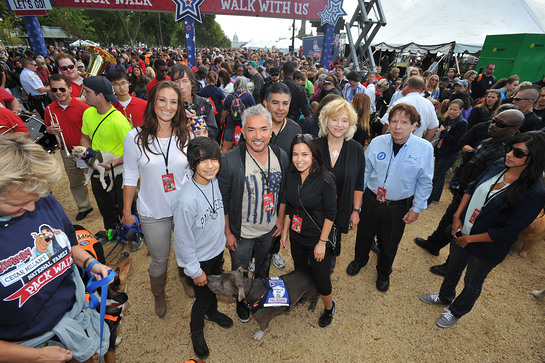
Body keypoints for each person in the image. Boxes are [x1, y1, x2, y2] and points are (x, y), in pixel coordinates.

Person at [0, 134, 110, 363]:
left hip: (73, 323)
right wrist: (37, 356)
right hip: (28, 349)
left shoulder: (43, 200)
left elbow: (67, 246)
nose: (31, 207)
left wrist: (90, 263)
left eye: (36, 197)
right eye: (17, 203)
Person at [420, 131, 545, 328]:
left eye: (518, 153)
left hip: (487, 247)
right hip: (462, 231)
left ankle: (456, 311)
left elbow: (508, 231)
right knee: (453, 268)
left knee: (472, 282)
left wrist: (470, 240)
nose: (510, 154)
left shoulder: (535, 193)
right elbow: (471, 187)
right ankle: (445, 296)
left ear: (534, 158)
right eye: (510, 149)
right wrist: (456, 217)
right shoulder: (498, 166)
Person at [414, 109, 525, 274]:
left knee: (459, 230)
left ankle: (450, 266)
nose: (493, 125)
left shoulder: (506, 152)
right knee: (448, 221)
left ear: (514, 129)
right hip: (463, 191)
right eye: (494, 120)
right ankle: (433, 245)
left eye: (500, 124)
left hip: (475, 199)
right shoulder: (489, 140)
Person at [347, 103, 433, 291]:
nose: (397, 127)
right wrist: (357, 203)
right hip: (371, 200)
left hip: (397, 206)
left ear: (414, 126)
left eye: (404, 122)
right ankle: (359, 260)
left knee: (389, 242)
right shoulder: (378, 142)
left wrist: (416, 208)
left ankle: (384, 272)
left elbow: (425, 181)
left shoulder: (424, 149)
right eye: (394, 121)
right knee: (363, 235)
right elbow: (365, 172)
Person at [122, 80, 190, 318]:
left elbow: (193, 173)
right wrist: (127, 212)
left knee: (184, 252)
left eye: (174, 102)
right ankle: (158, 294)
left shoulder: (186, 134)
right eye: (162, 100)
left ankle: (184, 279)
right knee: (160, 259)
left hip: (182, 210)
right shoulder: (135, 137)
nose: (168, 106)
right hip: (152, 212)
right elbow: (130, 175)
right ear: (152, 102)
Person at [218, 105, 288, 323]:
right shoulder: (230, 161)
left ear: (271, 131)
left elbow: (284, 192)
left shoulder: (281, 155)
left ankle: (258, 296)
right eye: (251, 130)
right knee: (239, 272)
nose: (258, 136)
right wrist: (228, 232)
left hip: (269, 230)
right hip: (242, 233)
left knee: (263, 269)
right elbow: (224, 202)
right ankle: (241, 302)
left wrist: (280, 219)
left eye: (263, 129)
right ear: (242, 131)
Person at [172, 137, 232, 359]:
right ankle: (196, 331)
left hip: (215, 252)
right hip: (199, 261)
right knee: (203, 297)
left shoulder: (214, 181)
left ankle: (213, 312)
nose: (210, 165)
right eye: (203, 160)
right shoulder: (186, 201)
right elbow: (182, 241)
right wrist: (195, 271)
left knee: (214, 288)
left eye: (214, 159)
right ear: (192, 163)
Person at [280, 134, 337, 327]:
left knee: (321, 280)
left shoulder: (325, 179)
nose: (299, 159)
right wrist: (286, 232)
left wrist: (322, 243)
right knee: (300, 270)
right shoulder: (292, 175)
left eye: (304, 154)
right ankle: (304, 293)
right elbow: (290, 206)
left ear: (313, 155)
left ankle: (329, 308)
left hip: (317, 238)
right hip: (297, 235)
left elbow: (331, 213)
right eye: (295, 154)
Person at [315, 99, 365, 272]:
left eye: (344, 120)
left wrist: (356, 211)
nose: (339, 125)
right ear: (325, 120)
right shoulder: (313, 146)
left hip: (339, 212)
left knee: (329, 255)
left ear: (350, 123)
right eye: (334, 119)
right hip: (314, 211)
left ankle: (324, 284)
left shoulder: (357, 149)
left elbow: (359, 183)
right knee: (310, 251)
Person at [80, 76, 132, 236]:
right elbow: (85, 137)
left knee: (126, 205)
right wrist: (88, 157)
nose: (84, 95)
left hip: (119, 172)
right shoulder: (88, 113)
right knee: (105, 205)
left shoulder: (119, 121)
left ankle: (133, 233)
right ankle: (112, 232)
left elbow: (132, 151)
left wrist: (112, 164)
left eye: (87, 92)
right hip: (97, 169)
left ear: (100, 95)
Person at [44, 74, 93, 221]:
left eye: (62, 89)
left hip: (84, 150)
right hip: (66, 151)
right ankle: (84, 207)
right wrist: (50, 130)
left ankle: (108, 204)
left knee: (95, 178)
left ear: (70, 89)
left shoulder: (84, 107)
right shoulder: (49, 109)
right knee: (75, 181)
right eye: (54, 90)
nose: (58, 92)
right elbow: (47, 126)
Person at [264, 82, 302, 269]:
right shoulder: (256, 126)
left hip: (285, 190)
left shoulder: (295, 130)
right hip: (259, 188)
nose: (280, 108)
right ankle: (257, 255)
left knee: (279, 224)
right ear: (266, 104)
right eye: (275, 103)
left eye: (285, 103)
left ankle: (274, 252)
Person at [428, 99, 468, 204]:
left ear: (460, 110)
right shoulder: (449, 119)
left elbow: (457, 141)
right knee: (439, 174)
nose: (452, 111)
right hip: (441, 149)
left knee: (437, 175)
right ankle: (435, 197)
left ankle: (429, 198)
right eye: (450, 109)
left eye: (455, 110)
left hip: (450, 153)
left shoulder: (462, 123)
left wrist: (444, 132)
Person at [381, 76, 439, 141]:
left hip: (396, 142)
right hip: (416, 142)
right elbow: (434, 127)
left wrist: (385, 142)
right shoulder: (429, 104)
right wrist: (423, 142)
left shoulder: (400, 102)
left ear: (408, 85)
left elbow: (387, 125)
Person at [171, 64, 218, 140]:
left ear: (192, 83)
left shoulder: (205, 104)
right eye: (177, 82)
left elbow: (213, 132)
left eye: (185, 81)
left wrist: (197, 122)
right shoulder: (170, 106)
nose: (181, 86)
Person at [221, 76, 256, 153]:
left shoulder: (229, 96)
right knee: (244, 148)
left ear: (235, 84)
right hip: (245, 126)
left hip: (231, 125)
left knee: (226, 148)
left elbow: (224, 113)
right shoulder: (248, 96)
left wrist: (223, 121)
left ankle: (223, 164)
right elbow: (254, 112)